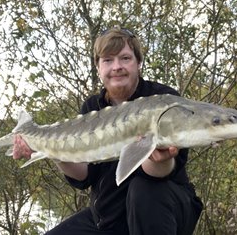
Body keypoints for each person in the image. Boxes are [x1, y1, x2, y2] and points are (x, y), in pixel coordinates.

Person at [13, 26, 203, 234]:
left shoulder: (163, 100)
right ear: (98, 67)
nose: (116, 66)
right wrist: (52, 151)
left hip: (163, 210)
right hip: (108, 218)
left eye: (125, 58)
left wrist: (159, 157)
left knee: (143, 190)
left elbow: (162, 173)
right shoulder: (92, 108)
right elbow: (85, 176)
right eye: (108, 60)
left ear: (138, 62)